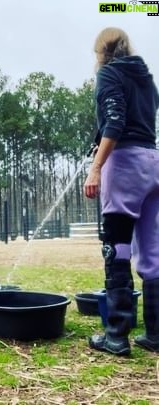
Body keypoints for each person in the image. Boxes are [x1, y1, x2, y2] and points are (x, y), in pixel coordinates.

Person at [84, 27, 159, 356]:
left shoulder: (109, 74)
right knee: (154, 253)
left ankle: (116, 336)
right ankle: (155, 335)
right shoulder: (147, 79)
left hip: (125, 163)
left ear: (101, 51)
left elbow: (113, 123)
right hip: (153, 163)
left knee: (117, 249)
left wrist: (96, 167)